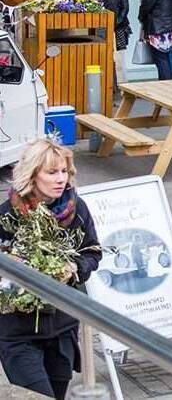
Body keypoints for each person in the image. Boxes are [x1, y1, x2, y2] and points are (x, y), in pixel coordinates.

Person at [0, 139, 100, 400]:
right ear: (33, 175)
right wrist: (13, 267)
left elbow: (92, 251)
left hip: (62, 329)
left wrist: (73, 267)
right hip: (19, 332)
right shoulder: (7, 216)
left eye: (64, 171)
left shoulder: (76, 209)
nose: (60, 179)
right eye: (52, 172)